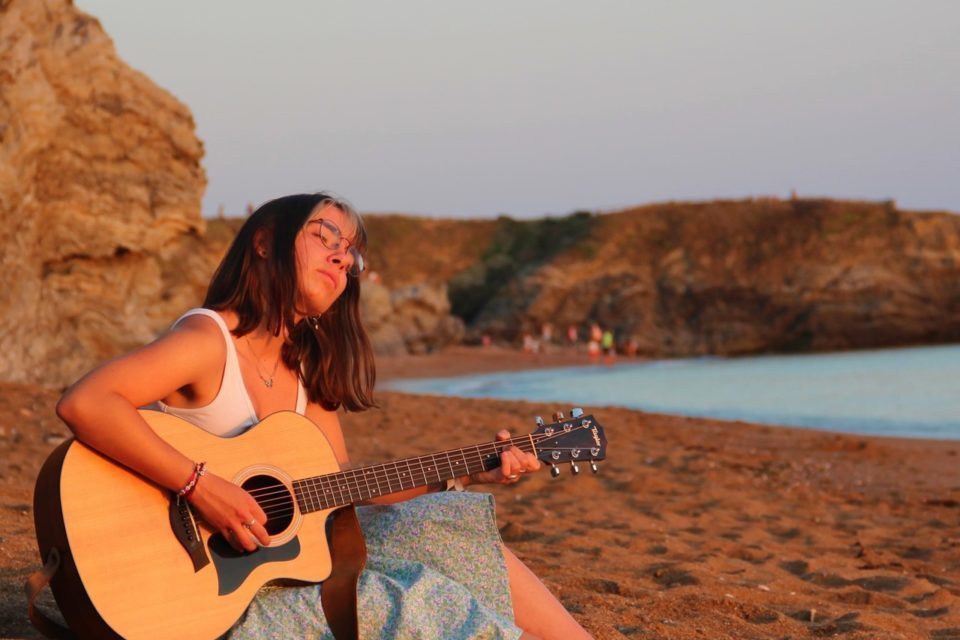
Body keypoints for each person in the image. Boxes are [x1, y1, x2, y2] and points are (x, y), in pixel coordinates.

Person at [55, 193, 591, 640]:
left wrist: (469, 472)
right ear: (264, 241)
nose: (342, 259)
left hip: (273, 571)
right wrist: (201, 486)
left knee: (446, 525)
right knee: (406, 601)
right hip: (201, 594)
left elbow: (338, 490)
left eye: (351, 253)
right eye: (325, 237)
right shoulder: (209, 339)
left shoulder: (307, 369)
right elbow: (87, 402)